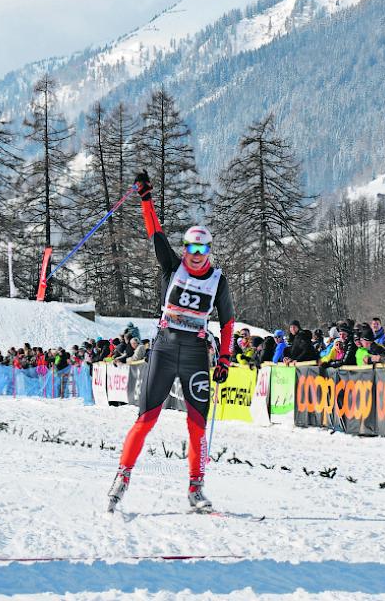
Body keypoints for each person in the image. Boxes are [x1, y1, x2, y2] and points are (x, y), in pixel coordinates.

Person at [108, 171, 234, 514]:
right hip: (163, 349)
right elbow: (155, 233)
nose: (196, 254)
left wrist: (224, 358)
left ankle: (196, 489)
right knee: (146, 419)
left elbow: (228, 321)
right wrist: (146, 198)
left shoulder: (218, 281)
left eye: (202, 249)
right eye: (191, 248)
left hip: (195, 354)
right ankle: (122, 477)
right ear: (185, 250)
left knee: (197, 426)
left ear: (208, 251)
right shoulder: (172, 266)